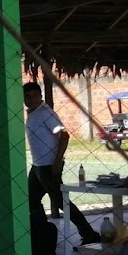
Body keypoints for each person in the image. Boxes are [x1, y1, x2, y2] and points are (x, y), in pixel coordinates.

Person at [23, 82, 100, 246]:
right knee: (31, 199)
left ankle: (88, 233)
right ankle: (39, 232)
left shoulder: (45, 113)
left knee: (60, 201)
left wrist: (57, 161)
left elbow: (64, 135)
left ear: (40, 96)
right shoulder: (32, 113)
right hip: (38, 165)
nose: (31, 99)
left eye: (34, 95)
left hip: (48, 165)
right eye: (27, 96)